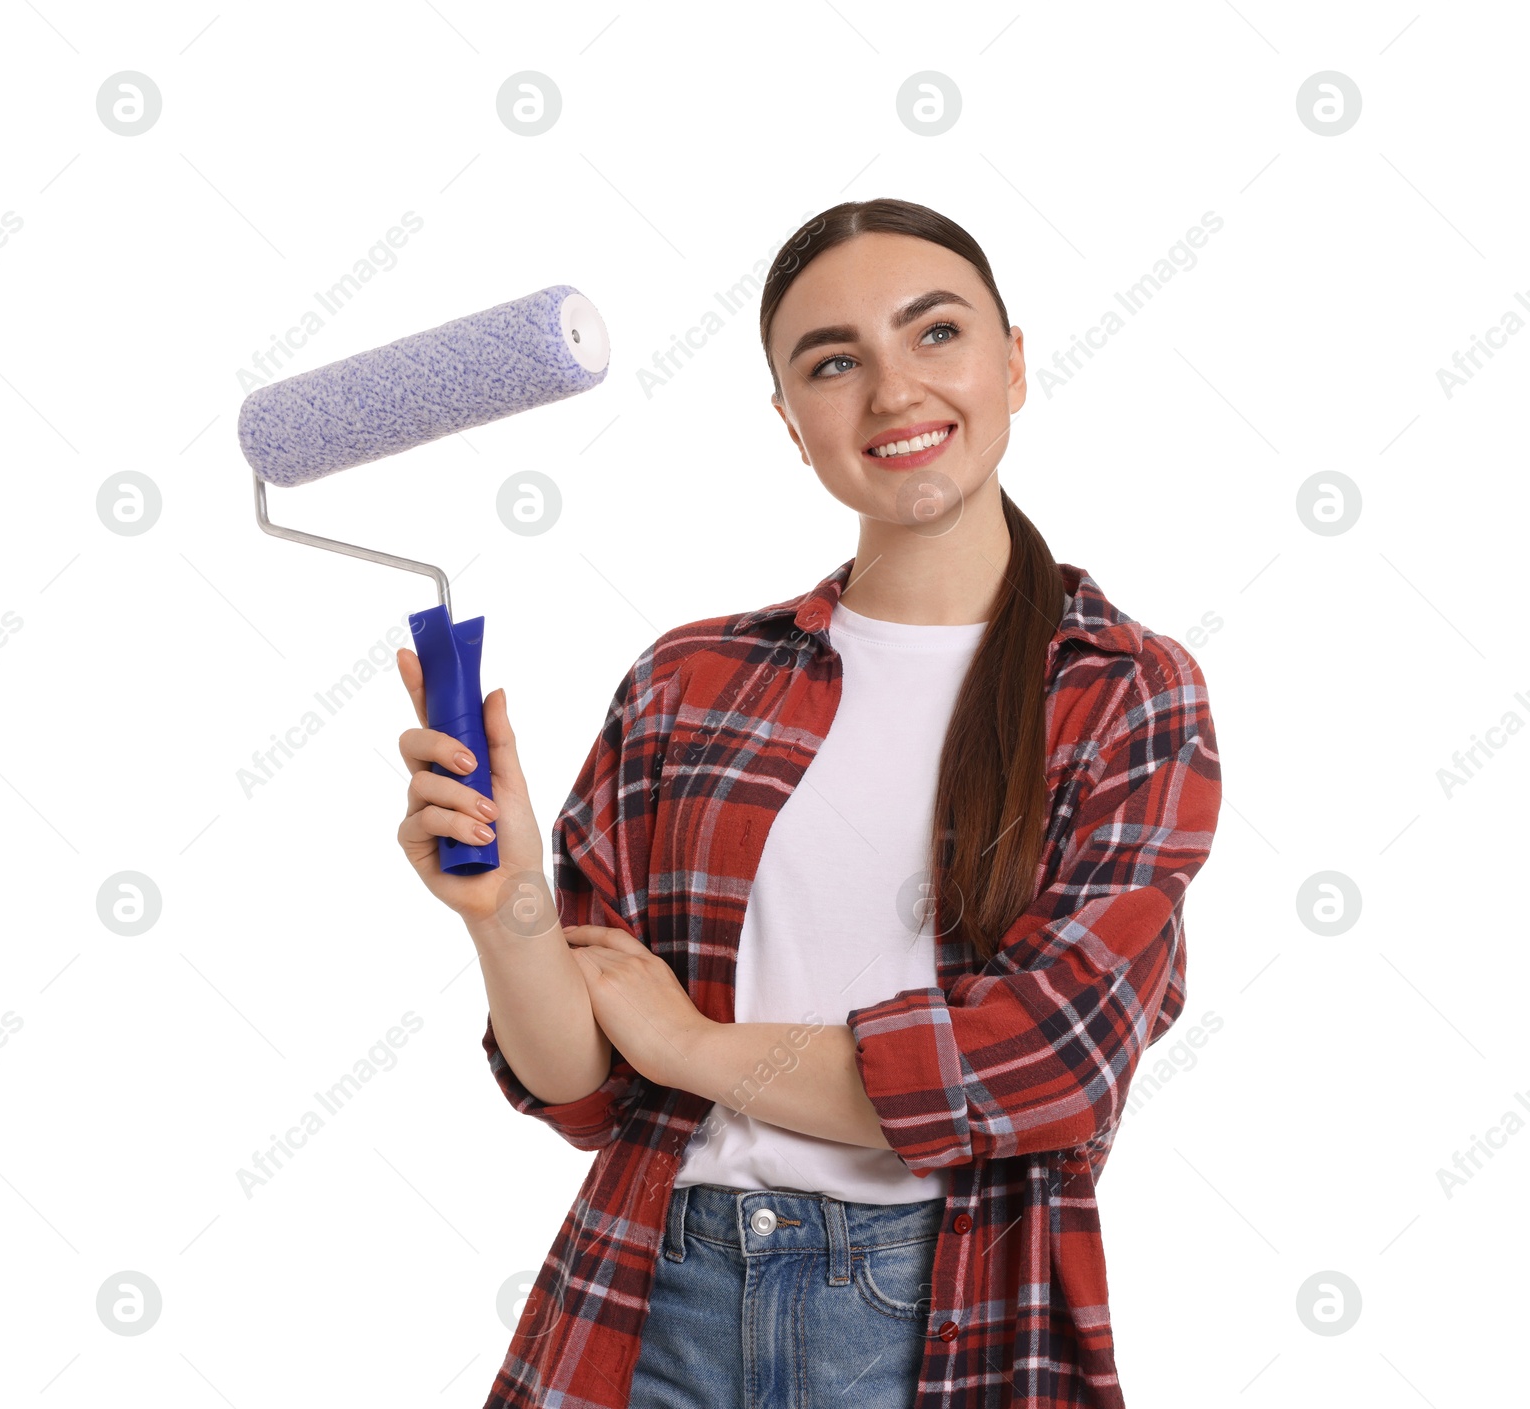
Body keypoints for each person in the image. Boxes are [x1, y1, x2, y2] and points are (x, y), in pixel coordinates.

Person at [394, 196, 1223, 1409]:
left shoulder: (1122, 693)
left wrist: (689, 1045)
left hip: (935, 1319)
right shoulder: (693, 681)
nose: (893, 392)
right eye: (834, 362)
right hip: (652, 1293)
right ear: (791, 423)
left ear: (1015, 362)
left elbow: (1044, 1063)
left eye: (934, 334)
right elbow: (581, 1088)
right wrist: (508, 903)